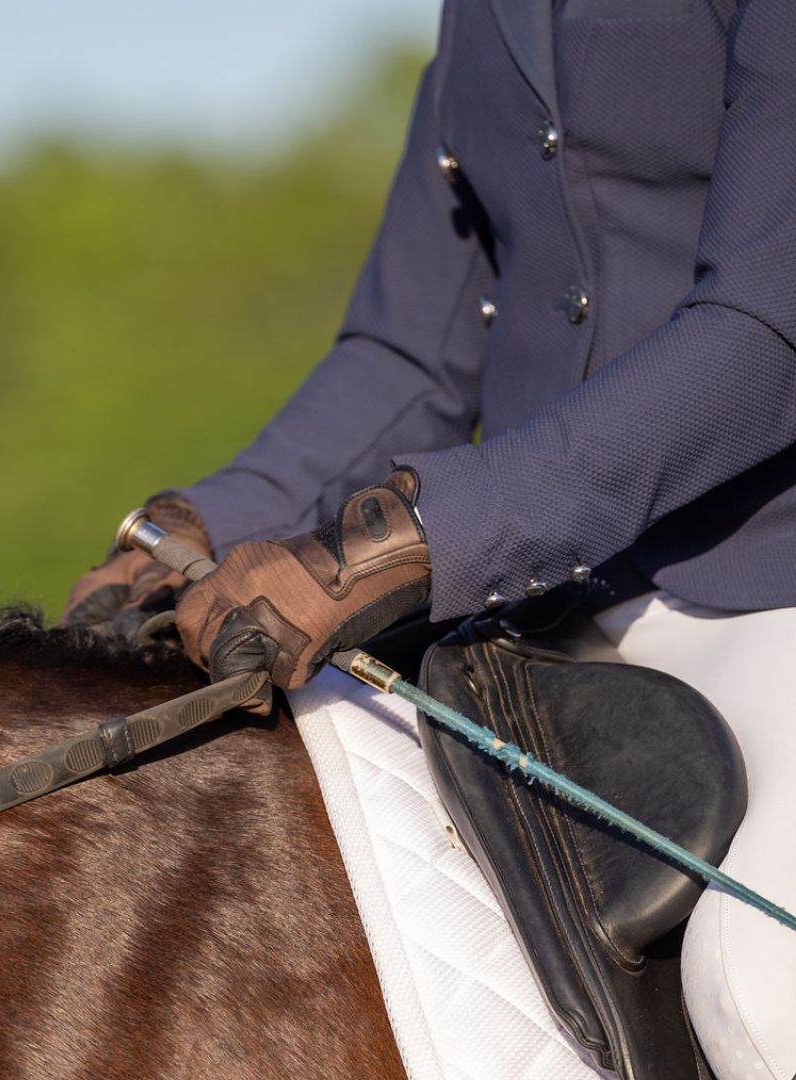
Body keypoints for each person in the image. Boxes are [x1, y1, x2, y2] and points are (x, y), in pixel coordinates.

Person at [65, 2, 796, 1076]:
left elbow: (768, 328)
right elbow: (414, 352)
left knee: (758, 991)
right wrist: (216, 520)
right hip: (549, 606)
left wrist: (406, 538)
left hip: (770, 582)